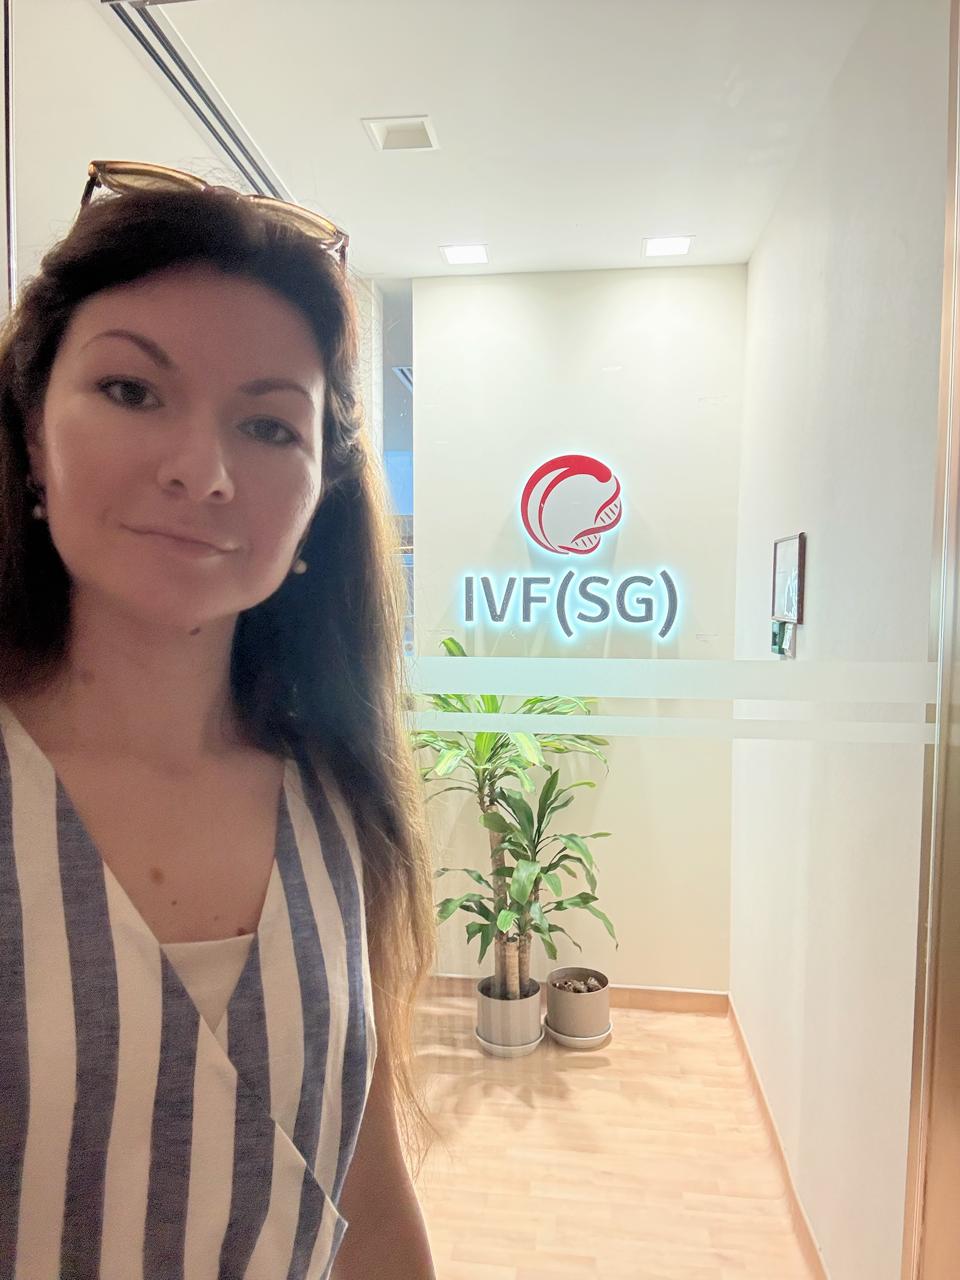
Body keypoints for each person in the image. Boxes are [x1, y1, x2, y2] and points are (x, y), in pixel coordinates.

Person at [0, 165, 437, 1279]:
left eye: (267, 425)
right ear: (33, 434)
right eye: (132, 390)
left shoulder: (338, 799)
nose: (202, 472)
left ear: (318, 496)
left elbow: (362, 1190)